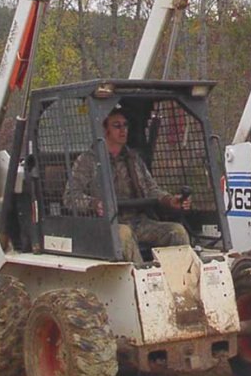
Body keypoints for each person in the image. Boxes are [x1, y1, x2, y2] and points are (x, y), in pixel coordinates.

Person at [65, 107, 192, 264]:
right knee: (123, 234)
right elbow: (70, 197)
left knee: (177, 231)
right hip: (105, 224)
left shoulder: (134, 159)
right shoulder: (88, 161)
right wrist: (94, 204)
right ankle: (141, 275)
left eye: (125, 125)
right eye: (117, 126)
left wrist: (170, 200)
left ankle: (178, 276)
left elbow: (152, 189)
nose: (123, 130)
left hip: (138, 221)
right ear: (104, 130)